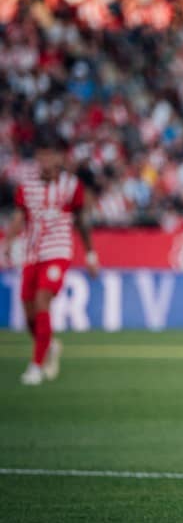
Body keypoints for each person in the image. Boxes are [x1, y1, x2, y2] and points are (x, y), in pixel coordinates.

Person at [1, 145, 100, 385]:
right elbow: (19, 217)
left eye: (49, 154)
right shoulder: (27, 186)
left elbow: (81, 222)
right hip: (31, 253)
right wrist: (8, 241)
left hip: (58, 251)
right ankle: (49, 345)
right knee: (28, 313)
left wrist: (90, 255)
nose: (45, 160)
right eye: (41, 155)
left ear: (58, 158)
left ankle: (35, 366)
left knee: (42, 300)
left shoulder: (71, 186)